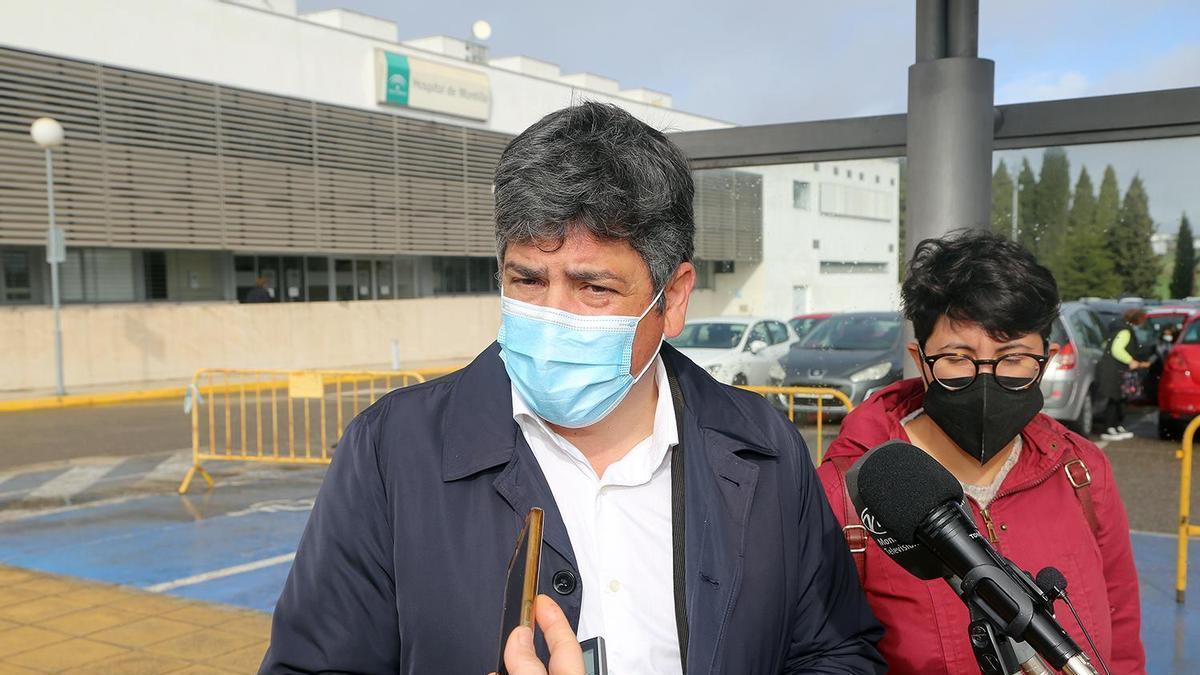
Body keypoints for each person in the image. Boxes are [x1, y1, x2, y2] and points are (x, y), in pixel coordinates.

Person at [261, 102, 884, 674]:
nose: (554, 317)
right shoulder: (393, 451)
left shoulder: (764, 447)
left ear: (674, 298)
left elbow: (836, 651)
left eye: (594, 289)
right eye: (528, 281)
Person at [817, 231, 1145, 674]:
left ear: (1044, 360)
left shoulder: (1081, 472)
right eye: (957, 356)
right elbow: (823, 653)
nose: (986, 381)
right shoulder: (848, 493)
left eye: (1013, 357)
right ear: (920, 358)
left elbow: (1121, 634)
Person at [1096, 308, 1152, 441]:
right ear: (1137, 319)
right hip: (1115, 370)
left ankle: (1116, 426)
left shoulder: (1120, 328)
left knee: (1118, 399)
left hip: (1114, 369)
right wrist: (1130, 361)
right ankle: (1109, 428)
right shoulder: (1125, 331)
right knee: (1114, 399)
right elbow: (1117, 349)